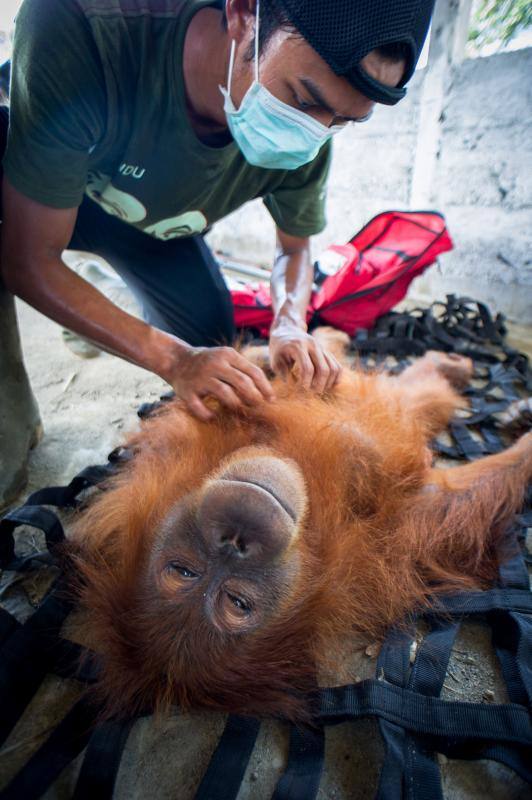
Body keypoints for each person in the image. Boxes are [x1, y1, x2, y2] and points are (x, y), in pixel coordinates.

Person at [0, 0, 435, 507]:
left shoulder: (307, 141)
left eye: (343, 121)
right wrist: (173, 358)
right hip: (40, 195)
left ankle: (94, 301)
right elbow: (27, 258)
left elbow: (294, 251)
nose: (314, 131)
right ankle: (12, 413)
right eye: (303, 97)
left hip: (152, 226)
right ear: (242, 14)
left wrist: (290, 322)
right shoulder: (86, 24)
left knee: (213, 346)